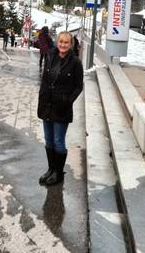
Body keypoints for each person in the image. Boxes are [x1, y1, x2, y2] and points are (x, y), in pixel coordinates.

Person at [37, 31, 84, 186]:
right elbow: (44, 80)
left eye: (66, 42)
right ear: (57, 42)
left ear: (71, 45)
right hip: (47, 105)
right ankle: (51, 169)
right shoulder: (50, 56)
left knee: (58, 141)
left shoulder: (75, 62)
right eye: (61, 42)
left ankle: (58, 173)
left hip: (61, 108)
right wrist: (42, 99)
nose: (63, 45)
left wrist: (68, 101)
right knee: (48, 139)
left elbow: (78, 86)